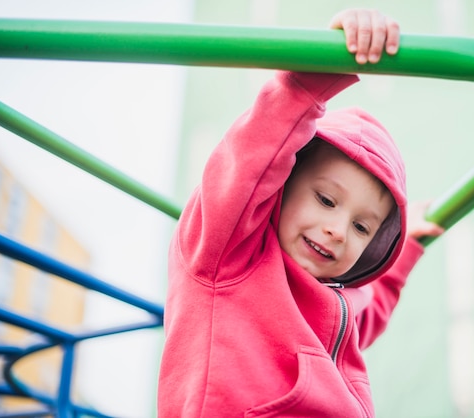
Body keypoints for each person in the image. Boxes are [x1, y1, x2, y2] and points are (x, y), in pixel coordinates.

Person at [158, 8, 443, 417]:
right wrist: (314, 75)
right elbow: (250, 156)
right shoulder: (226, 253)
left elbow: (372, 303)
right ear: (282, 184)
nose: (339, 231)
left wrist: (408, 244)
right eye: (326, 201)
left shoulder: (331, 300)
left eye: (363, 227)